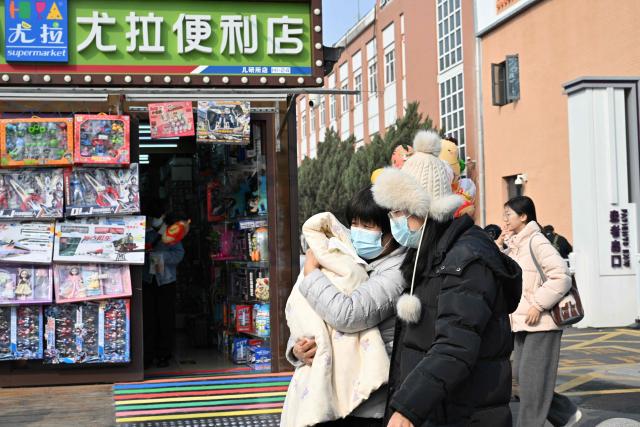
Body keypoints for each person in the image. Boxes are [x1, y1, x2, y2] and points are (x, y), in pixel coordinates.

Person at [371, 130, 523, 427]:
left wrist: (406, 409)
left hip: (463, 415)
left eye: (399, 212)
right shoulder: (428, 256)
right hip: (436, 411)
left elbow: (454, 346)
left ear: (424, 209)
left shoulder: (466, 260)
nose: (396, 221)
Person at [286, 186, 407, 426]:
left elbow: (348, 315)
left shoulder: (397, 271)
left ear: (390, 229)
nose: (359, 232)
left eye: (369, 225)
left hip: (369, 403)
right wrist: (297, 350)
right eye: (355, 223)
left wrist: (311, 274)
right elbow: (310, 314)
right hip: (335, 394)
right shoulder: (347, 259)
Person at [503, 196, 581, 427]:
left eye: (508, 214)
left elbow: (561, 276)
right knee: (518, 380)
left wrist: (538, 304)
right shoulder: (515, 244)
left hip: (543, 322)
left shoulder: (536, 241)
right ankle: (565, 413)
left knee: (531, 382)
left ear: (524, 216)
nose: (504, 219)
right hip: (522, 323)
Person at [143, 204, 187, 368]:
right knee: (147, 319)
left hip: (165, 281)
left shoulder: (171, 234)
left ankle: (164, 354)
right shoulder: (142, 233)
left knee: (165, 318)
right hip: (146, 281)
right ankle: (147, 354)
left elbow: (179, 254)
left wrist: (161, 256)